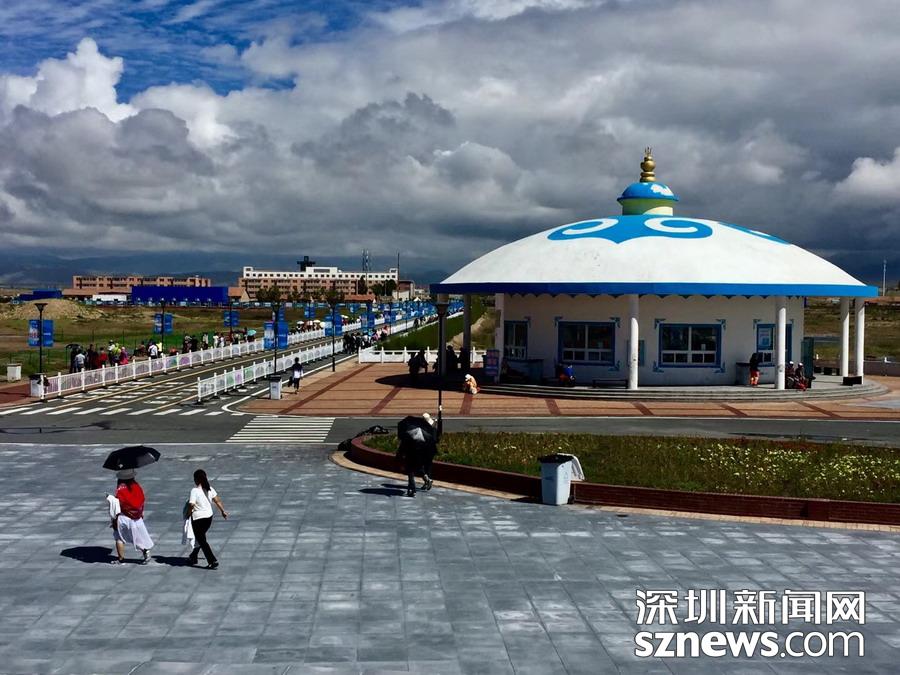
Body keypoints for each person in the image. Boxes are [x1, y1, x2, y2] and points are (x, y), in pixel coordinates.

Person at [109, 469, 154, 565]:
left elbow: (118, 504)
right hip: (136, 517)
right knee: (138, 536)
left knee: (118, 537)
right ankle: (145, 551)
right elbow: (142, 499)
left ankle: (121, 559)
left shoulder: (120, 489)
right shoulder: (137, 487)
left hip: (123, 517)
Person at [186, 469, 228, 569]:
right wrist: (223, 511)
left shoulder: (194, 491)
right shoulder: (210, 489)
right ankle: (193, 556)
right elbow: (217, 500)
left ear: (196, 479)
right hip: (208, 518)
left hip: (198, 519)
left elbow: (191, 504)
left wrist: (188, 513)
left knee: (202, 540)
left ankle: (212, 560)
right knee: (200, 538)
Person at [398, 413, 437, 498]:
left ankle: (412, 489)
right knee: (420, 467)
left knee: (410, 471)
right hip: (424, 453)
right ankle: (426, 478)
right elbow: (434, 441)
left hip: (411, 454)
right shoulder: (427, 433)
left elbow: (402, 447)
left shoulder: (409, 434)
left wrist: (399, 456)